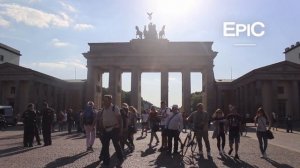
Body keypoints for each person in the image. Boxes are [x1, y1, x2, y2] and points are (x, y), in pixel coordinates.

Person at [97, 95, 123, 167]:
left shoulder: (115, 108)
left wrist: (121, 130)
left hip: (114, 129)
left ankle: (120, 158)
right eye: (104, 100)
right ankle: (106, 162)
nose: (104, 101)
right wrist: (100, 129)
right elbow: (101, 120)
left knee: (116, 145)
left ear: (110, 100)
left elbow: (120, 119)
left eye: (106, 100)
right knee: (105, 146)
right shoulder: (103, 109)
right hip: (105, 130)